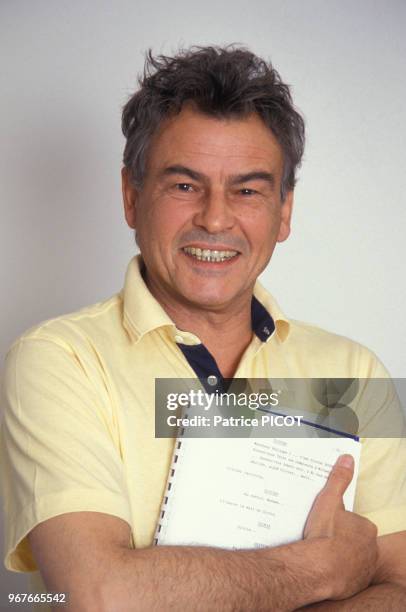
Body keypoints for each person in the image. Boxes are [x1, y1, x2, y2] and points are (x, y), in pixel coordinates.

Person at [1, 45, 405, 611]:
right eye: (184, 185)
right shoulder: (57, 360)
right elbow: (96, 596)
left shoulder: (356, 373)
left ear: (284, 210)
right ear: (131, 197)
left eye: (247, 190)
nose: (216, 219)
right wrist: (322, 570)